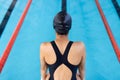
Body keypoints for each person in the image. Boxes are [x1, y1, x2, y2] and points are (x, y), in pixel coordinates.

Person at [40, 1, 85, 80]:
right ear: (70, 27)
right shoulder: (80, 46)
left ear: (54, 26)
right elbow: (82, 73)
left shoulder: (44, 47)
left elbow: (43, 74)